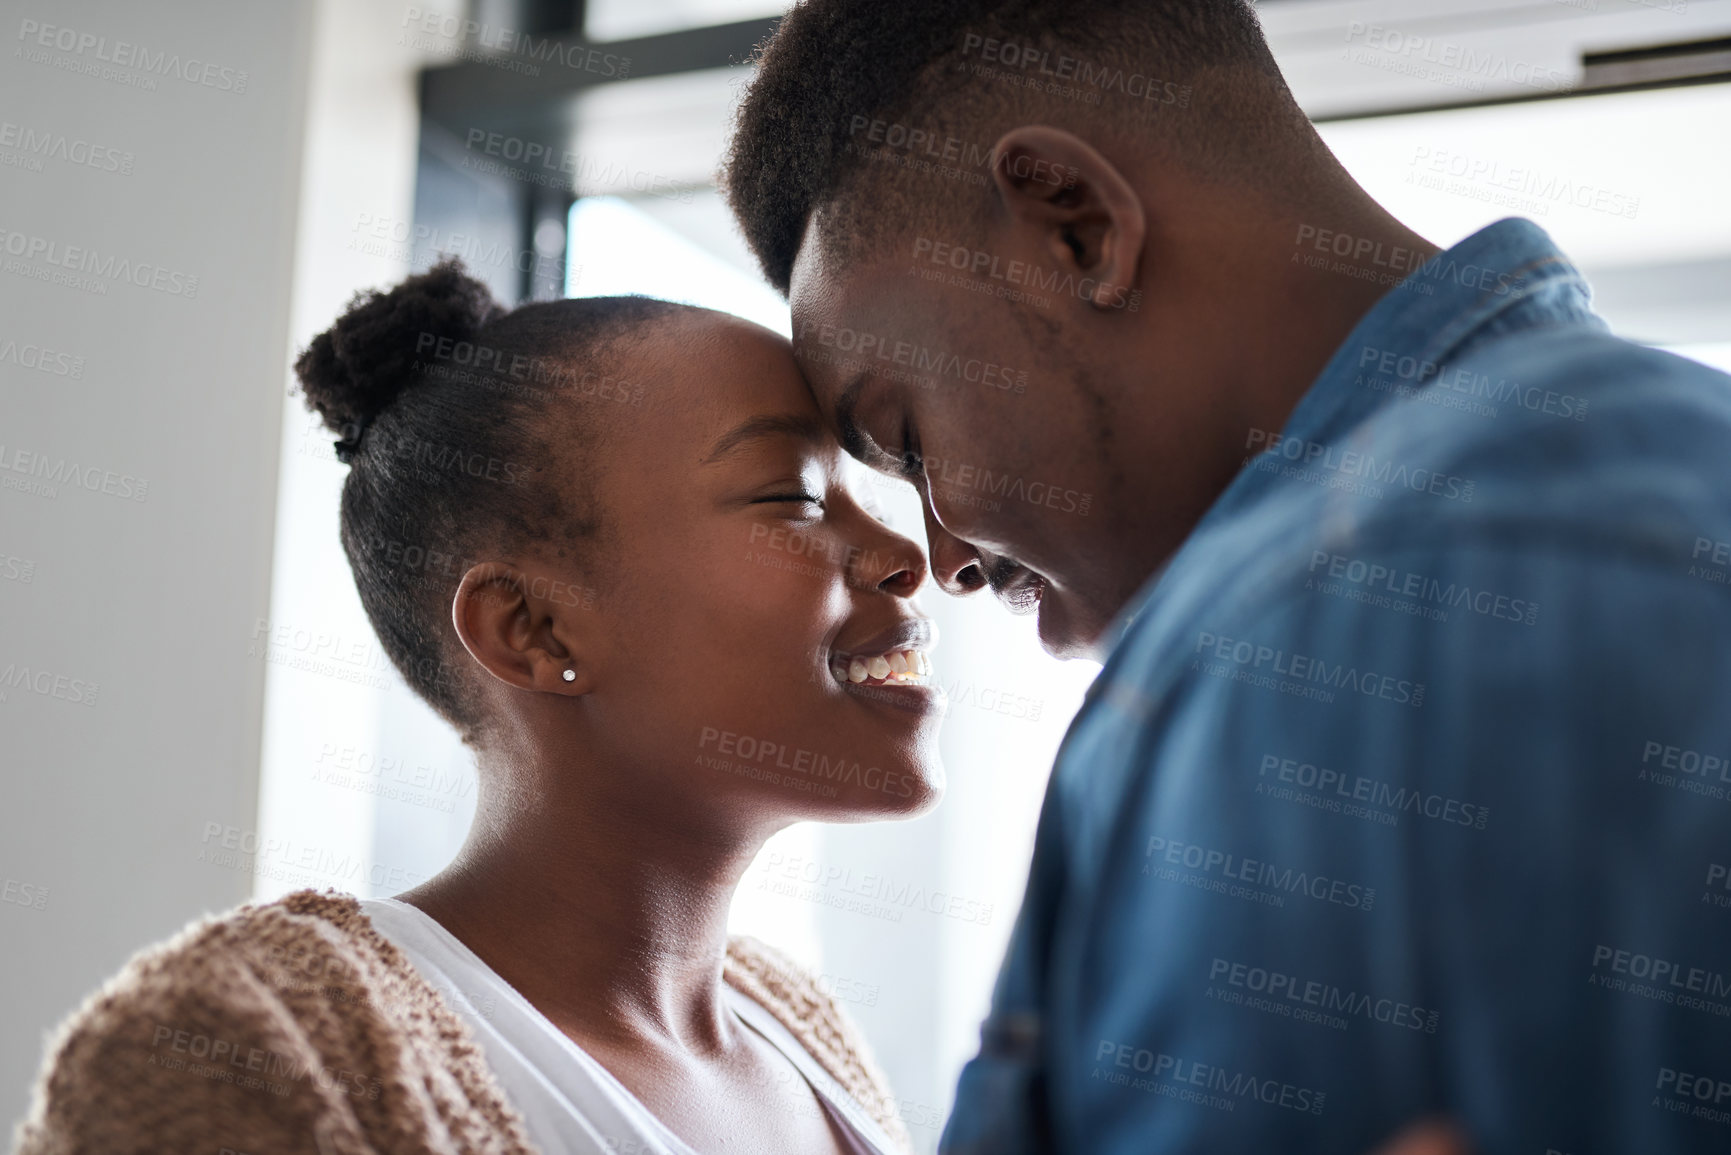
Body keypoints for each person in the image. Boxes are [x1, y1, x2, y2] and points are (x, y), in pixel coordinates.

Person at [724, 2, 1731, 1153]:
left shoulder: (1352, 619)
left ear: (1076, 224)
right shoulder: (1656, 461)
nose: (944, 556)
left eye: (905, 439)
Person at [13, 260, 940, 1155]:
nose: (909, 551)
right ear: (532, 629)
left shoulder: (800, 1030)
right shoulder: (254, 1049)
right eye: (798, 497)